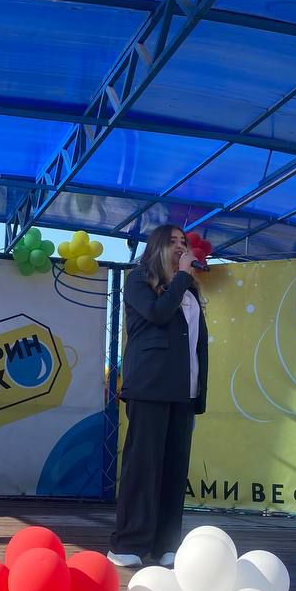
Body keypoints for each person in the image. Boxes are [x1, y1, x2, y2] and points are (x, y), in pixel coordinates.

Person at [109, 224, 209, 569]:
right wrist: (181, 277)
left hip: (183, 389)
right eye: (173, 242)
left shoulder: (189, 289)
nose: (182, 247)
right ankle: (129, 543)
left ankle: (167, 543)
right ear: (157, 247)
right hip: (150, 386)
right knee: (143, 467)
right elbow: (156, 313)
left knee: (173, 469)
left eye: (184, 242)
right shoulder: (139, 280)